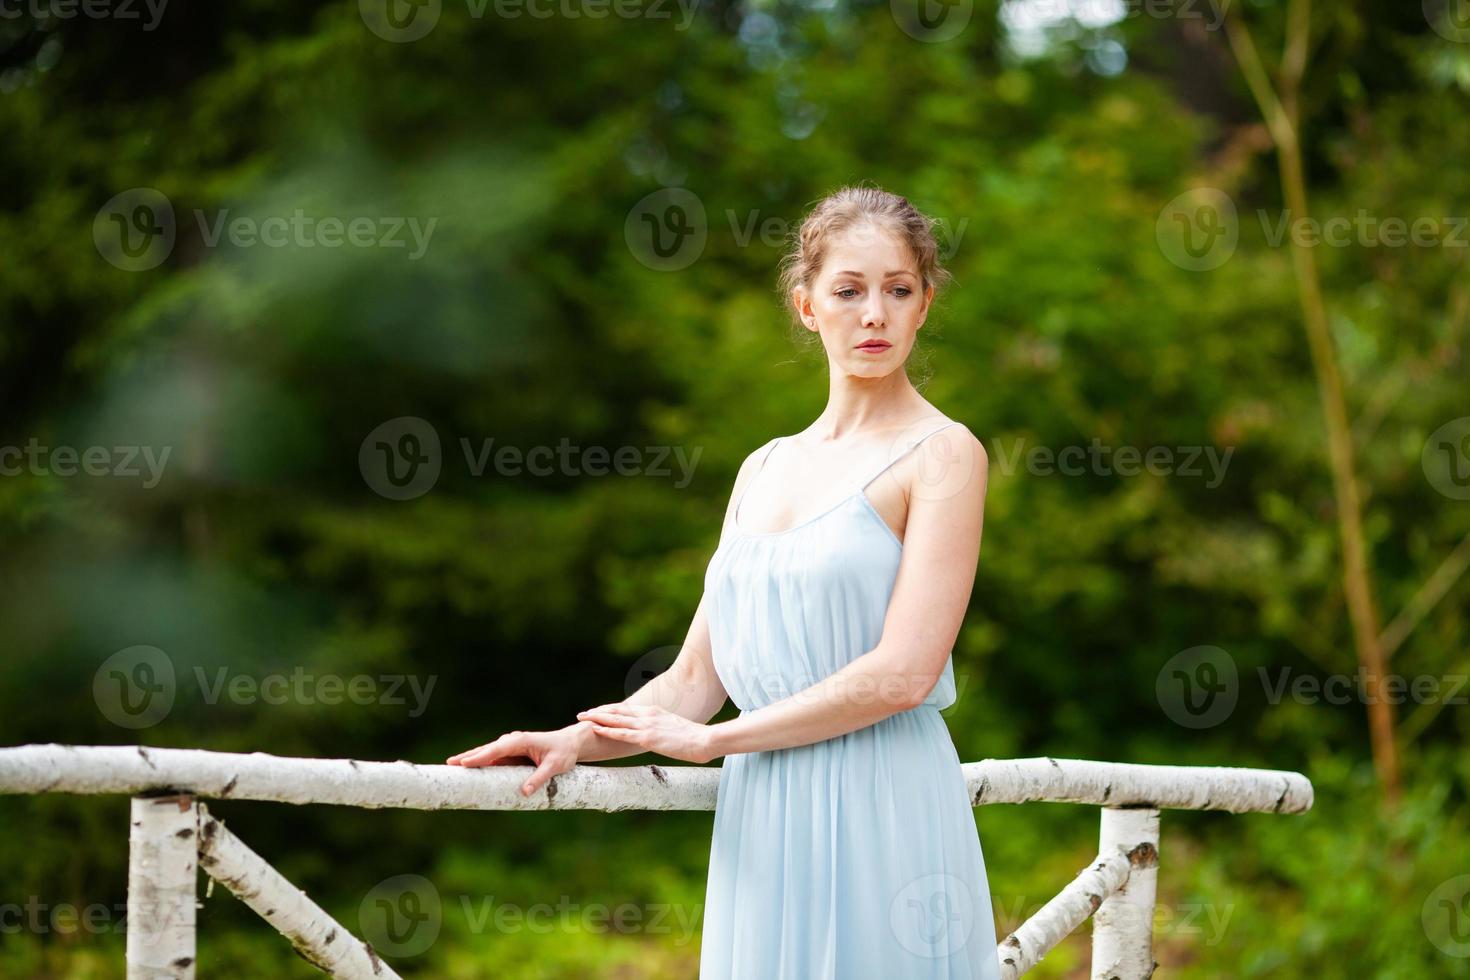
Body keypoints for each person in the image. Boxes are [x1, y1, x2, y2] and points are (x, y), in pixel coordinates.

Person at [448, 184, 1001, 979]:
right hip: (765, 816)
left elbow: (904, 673)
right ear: (807, 305)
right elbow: (695, 679)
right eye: (849, 290)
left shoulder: (944, 454)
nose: (873, 314)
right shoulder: (763, 468)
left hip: (886, 804)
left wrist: (716, 743)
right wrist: (578, 739)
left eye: (898, 290)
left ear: (924, 305)